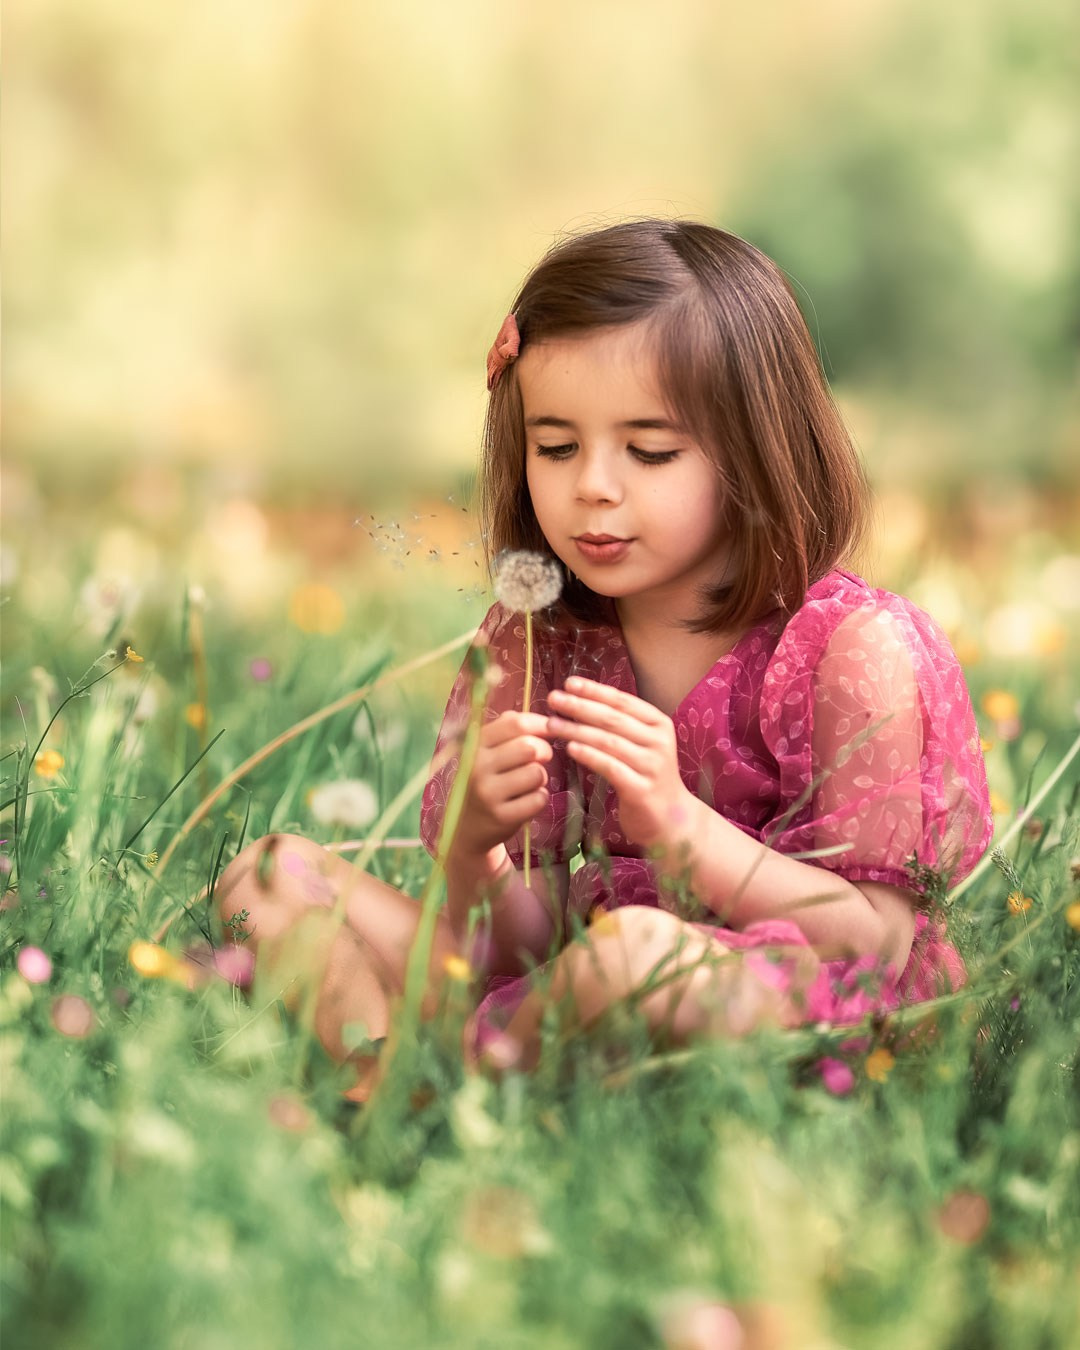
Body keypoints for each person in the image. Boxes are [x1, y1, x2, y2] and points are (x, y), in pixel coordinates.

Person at [216, 219, 992, 1092]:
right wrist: (477, 850)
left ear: (757, 450)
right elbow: (524, 944)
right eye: (555, 447)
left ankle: (439, 1089)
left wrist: (680, 828)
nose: (592, 484)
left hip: (781, 995)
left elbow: (877, 945)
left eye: (650, 451)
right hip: (574, 977)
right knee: (270, 873)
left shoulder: (851, 653)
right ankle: (383, 1073)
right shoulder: (538, 639)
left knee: (635, 959)